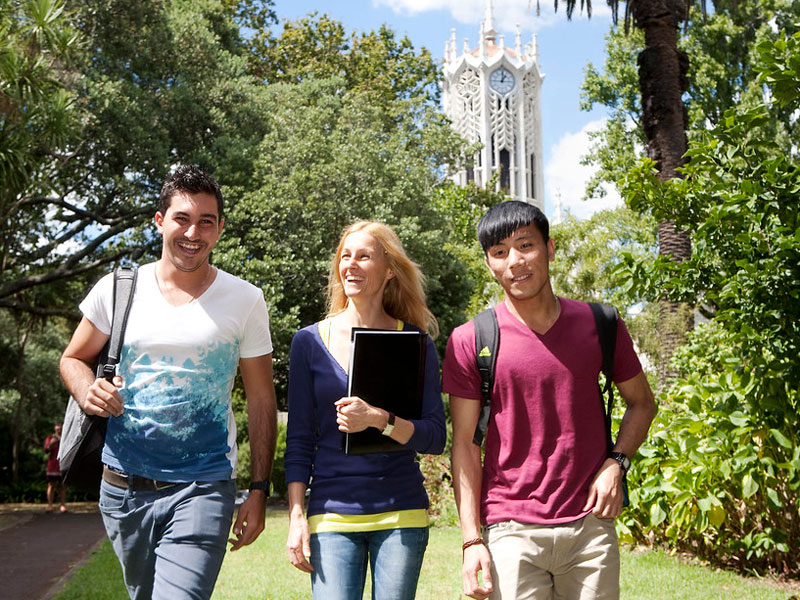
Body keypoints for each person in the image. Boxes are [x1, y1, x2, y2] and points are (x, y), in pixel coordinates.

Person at [59, 165, 278, 600]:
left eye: (206, 222)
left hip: (203, 486)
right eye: (182, 218)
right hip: (122, 490)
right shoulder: (119, 288)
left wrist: (257, 488)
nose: (193, 232)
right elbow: (73, 359)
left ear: (219, 230)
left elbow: (261, 399)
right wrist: (87, 390)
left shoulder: (245, 299)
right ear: (160, 221)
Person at [443, 201, 657, 600]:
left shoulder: (600, 324)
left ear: (550, 248)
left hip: (591, 527)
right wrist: (472, 541)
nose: (515, 262)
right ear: (489, 263)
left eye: (526, 245)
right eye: (500, 252)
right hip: (510, 529)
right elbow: (465, 446)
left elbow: (642, 403)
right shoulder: (471, 340)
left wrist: (617, 463)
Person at [285, 220, 446, 600]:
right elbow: (299, 440)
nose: (351, 265)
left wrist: (379, 420)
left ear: (389, 270)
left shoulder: (416, 343)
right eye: (345, 256)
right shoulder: (307, 343)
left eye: (364, 256)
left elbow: (435, 436)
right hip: (331, 513)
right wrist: (295, 516)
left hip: (401, 512)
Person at [44, 423, 67, 513]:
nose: (59, 429)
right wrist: (51, 444)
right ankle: (50, 505)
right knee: (51, 485)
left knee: (63, 486)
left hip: (63, 464)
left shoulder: (66, 437)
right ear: (55, 428)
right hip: (53, 465)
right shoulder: (50, 438)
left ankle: (63, 505)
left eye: (60, 428)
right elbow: (46, 450)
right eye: (57, 428)